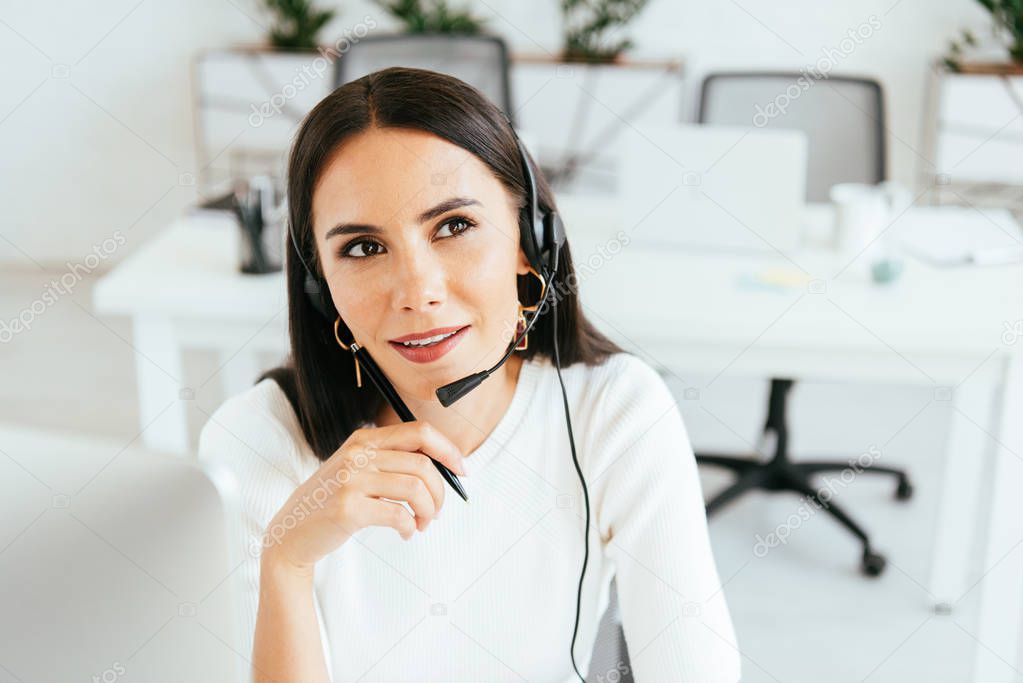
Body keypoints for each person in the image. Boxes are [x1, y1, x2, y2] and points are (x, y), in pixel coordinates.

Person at [198, 66, 741, 683]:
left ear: (527, 243)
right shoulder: (252, 441)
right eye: (363, 248)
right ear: (322, 291)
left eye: (454, 226)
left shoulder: (616, 411)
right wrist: (287, 559)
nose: (417, 291)